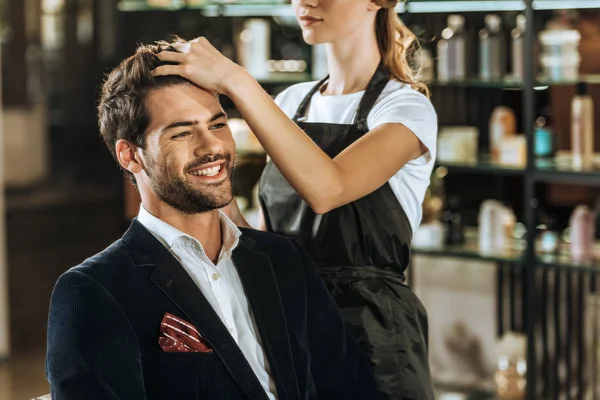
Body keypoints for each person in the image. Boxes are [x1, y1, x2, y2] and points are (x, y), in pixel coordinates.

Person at [45, 39, 382, 400]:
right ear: (130, 155)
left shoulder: (284, 261)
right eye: (182, 132)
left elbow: (353, 389)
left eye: (217, 125)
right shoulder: (95, 289)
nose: (212, 148)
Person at [151, 1, 437, 399]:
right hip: (291, 323)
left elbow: (328, 189)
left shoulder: (406, 108)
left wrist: (236, 79)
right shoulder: (290, 104)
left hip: (375, 336)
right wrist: (215, 192)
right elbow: (264, 245)